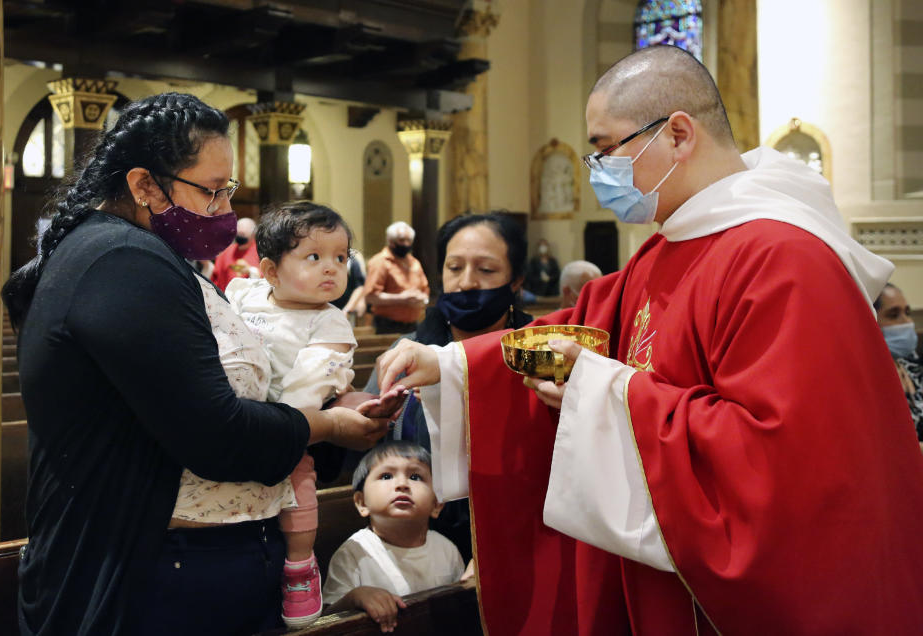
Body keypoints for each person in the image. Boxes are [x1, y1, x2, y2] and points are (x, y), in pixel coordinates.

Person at [376, 46, 923, 635]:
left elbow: (783, 461)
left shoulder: (783, 257)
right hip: (662, 576)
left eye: (607, 148)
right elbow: (582, 323)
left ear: (679, 134)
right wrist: (448, 363)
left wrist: (601, 389)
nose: (597, 172)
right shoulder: (674, 243)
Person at [0, 93, 388, 636]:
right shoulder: (123, 261)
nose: (224, 211)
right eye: (211, 191)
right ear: (143, 186)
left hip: (187, 560)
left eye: (227, 191)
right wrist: (327, 425)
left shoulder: (132, 253)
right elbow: (215, 432)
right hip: (155, 573)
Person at [362, 211, 532, 566]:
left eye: (486, 270)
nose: (466, 282)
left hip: (522, 536)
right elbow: (367, 456)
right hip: (418, 545)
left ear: (516, 279)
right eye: (454, 268)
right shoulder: (404, 353)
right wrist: (370, 421)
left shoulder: (537, 353)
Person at [223, 201, 361, 629]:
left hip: (288, 424)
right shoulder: (246, 294)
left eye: (341, 258)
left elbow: (312, 381)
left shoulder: (330, 323)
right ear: (270, 271)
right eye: (314, 257)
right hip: (234, 413)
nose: (331, 269)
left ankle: (300, 566)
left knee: (299, 484)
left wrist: (285, 425)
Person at [322, 441, 464, 633]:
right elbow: (328, 620)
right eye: (386, 476)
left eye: (415, 476)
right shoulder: (355, 552)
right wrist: (356, 597)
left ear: (437, 505)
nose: (402, 484)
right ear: (361, 502)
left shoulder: (447, 549)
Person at [875, 282, 923, 443]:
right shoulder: (868, 383)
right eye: (894, 315)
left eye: (907, 312)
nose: (907, 322)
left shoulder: (912, 365)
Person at [363, 221, 429, 334]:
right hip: (388, 326)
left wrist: (422, 299)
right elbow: (370, 297)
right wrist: (401, 298)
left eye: (409, 241)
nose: (406, 244)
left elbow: (425, 290)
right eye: (402, 240)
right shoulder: (380, 262)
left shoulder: (414, 263)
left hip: (413, 325)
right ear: (390, 241)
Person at [211, 216, 260, 290]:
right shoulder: (226, 251)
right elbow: (216, 277)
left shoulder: (260, 252)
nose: (240, 237)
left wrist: (250, 271)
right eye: (238, 234)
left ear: (253, 235)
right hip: (226, 297)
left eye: (243, 235)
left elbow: (265, 278)